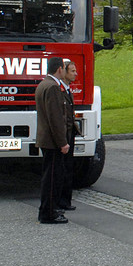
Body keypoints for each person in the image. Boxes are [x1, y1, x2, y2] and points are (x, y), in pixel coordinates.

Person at [36, 56, 71, 225]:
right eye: (64, 68)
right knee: (51, 179)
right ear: (59, 69)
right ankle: (48, 213)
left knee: (50, 176)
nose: (65, 71)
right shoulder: (52, 87)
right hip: (51, 141)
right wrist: (62, 142)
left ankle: (50, 209)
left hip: (47, 140)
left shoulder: (43, 84)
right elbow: (56, 118)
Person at [58, 60, 79, 212]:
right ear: (64, 72)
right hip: (64, 134)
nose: (75, 74)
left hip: (69, 133)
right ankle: (61, 201)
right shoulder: (59, 90)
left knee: (68, 168)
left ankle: (65, 200)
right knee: (62, 169)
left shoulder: (67, 90)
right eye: (72, 71)